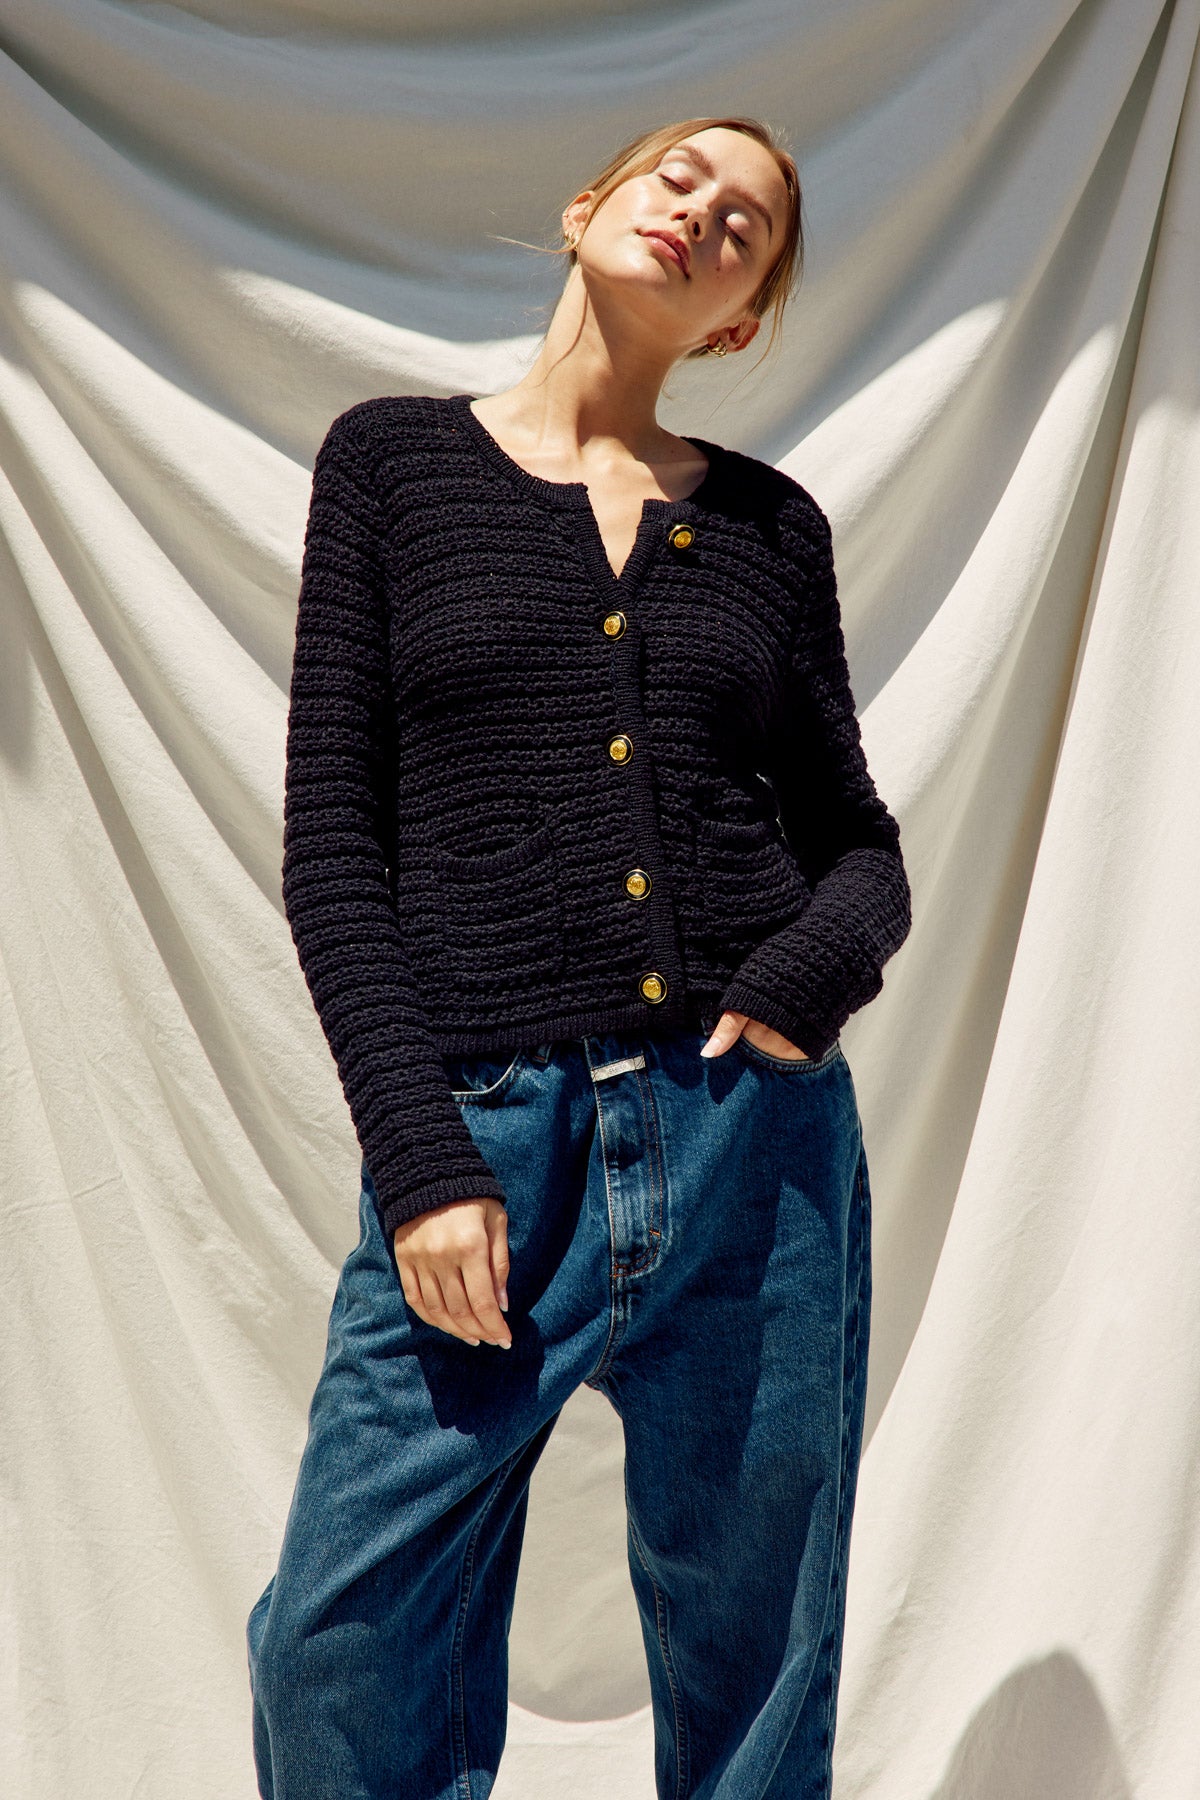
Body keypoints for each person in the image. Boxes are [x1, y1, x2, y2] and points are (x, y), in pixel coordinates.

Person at [246, 114, 912, 1800]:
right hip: (491, 1144)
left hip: (753, 1157)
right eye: (681, 177)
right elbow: (334, 852)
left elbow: (863, 851)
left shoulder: (770, 528)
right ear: (588, 205)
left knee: (754, 1676)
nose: (705, 215)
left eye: (748, 228)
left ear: (740, 324)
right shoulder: (392, 469)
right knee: (336, 1649)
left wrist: (796, 985)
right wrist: (420, 1161)